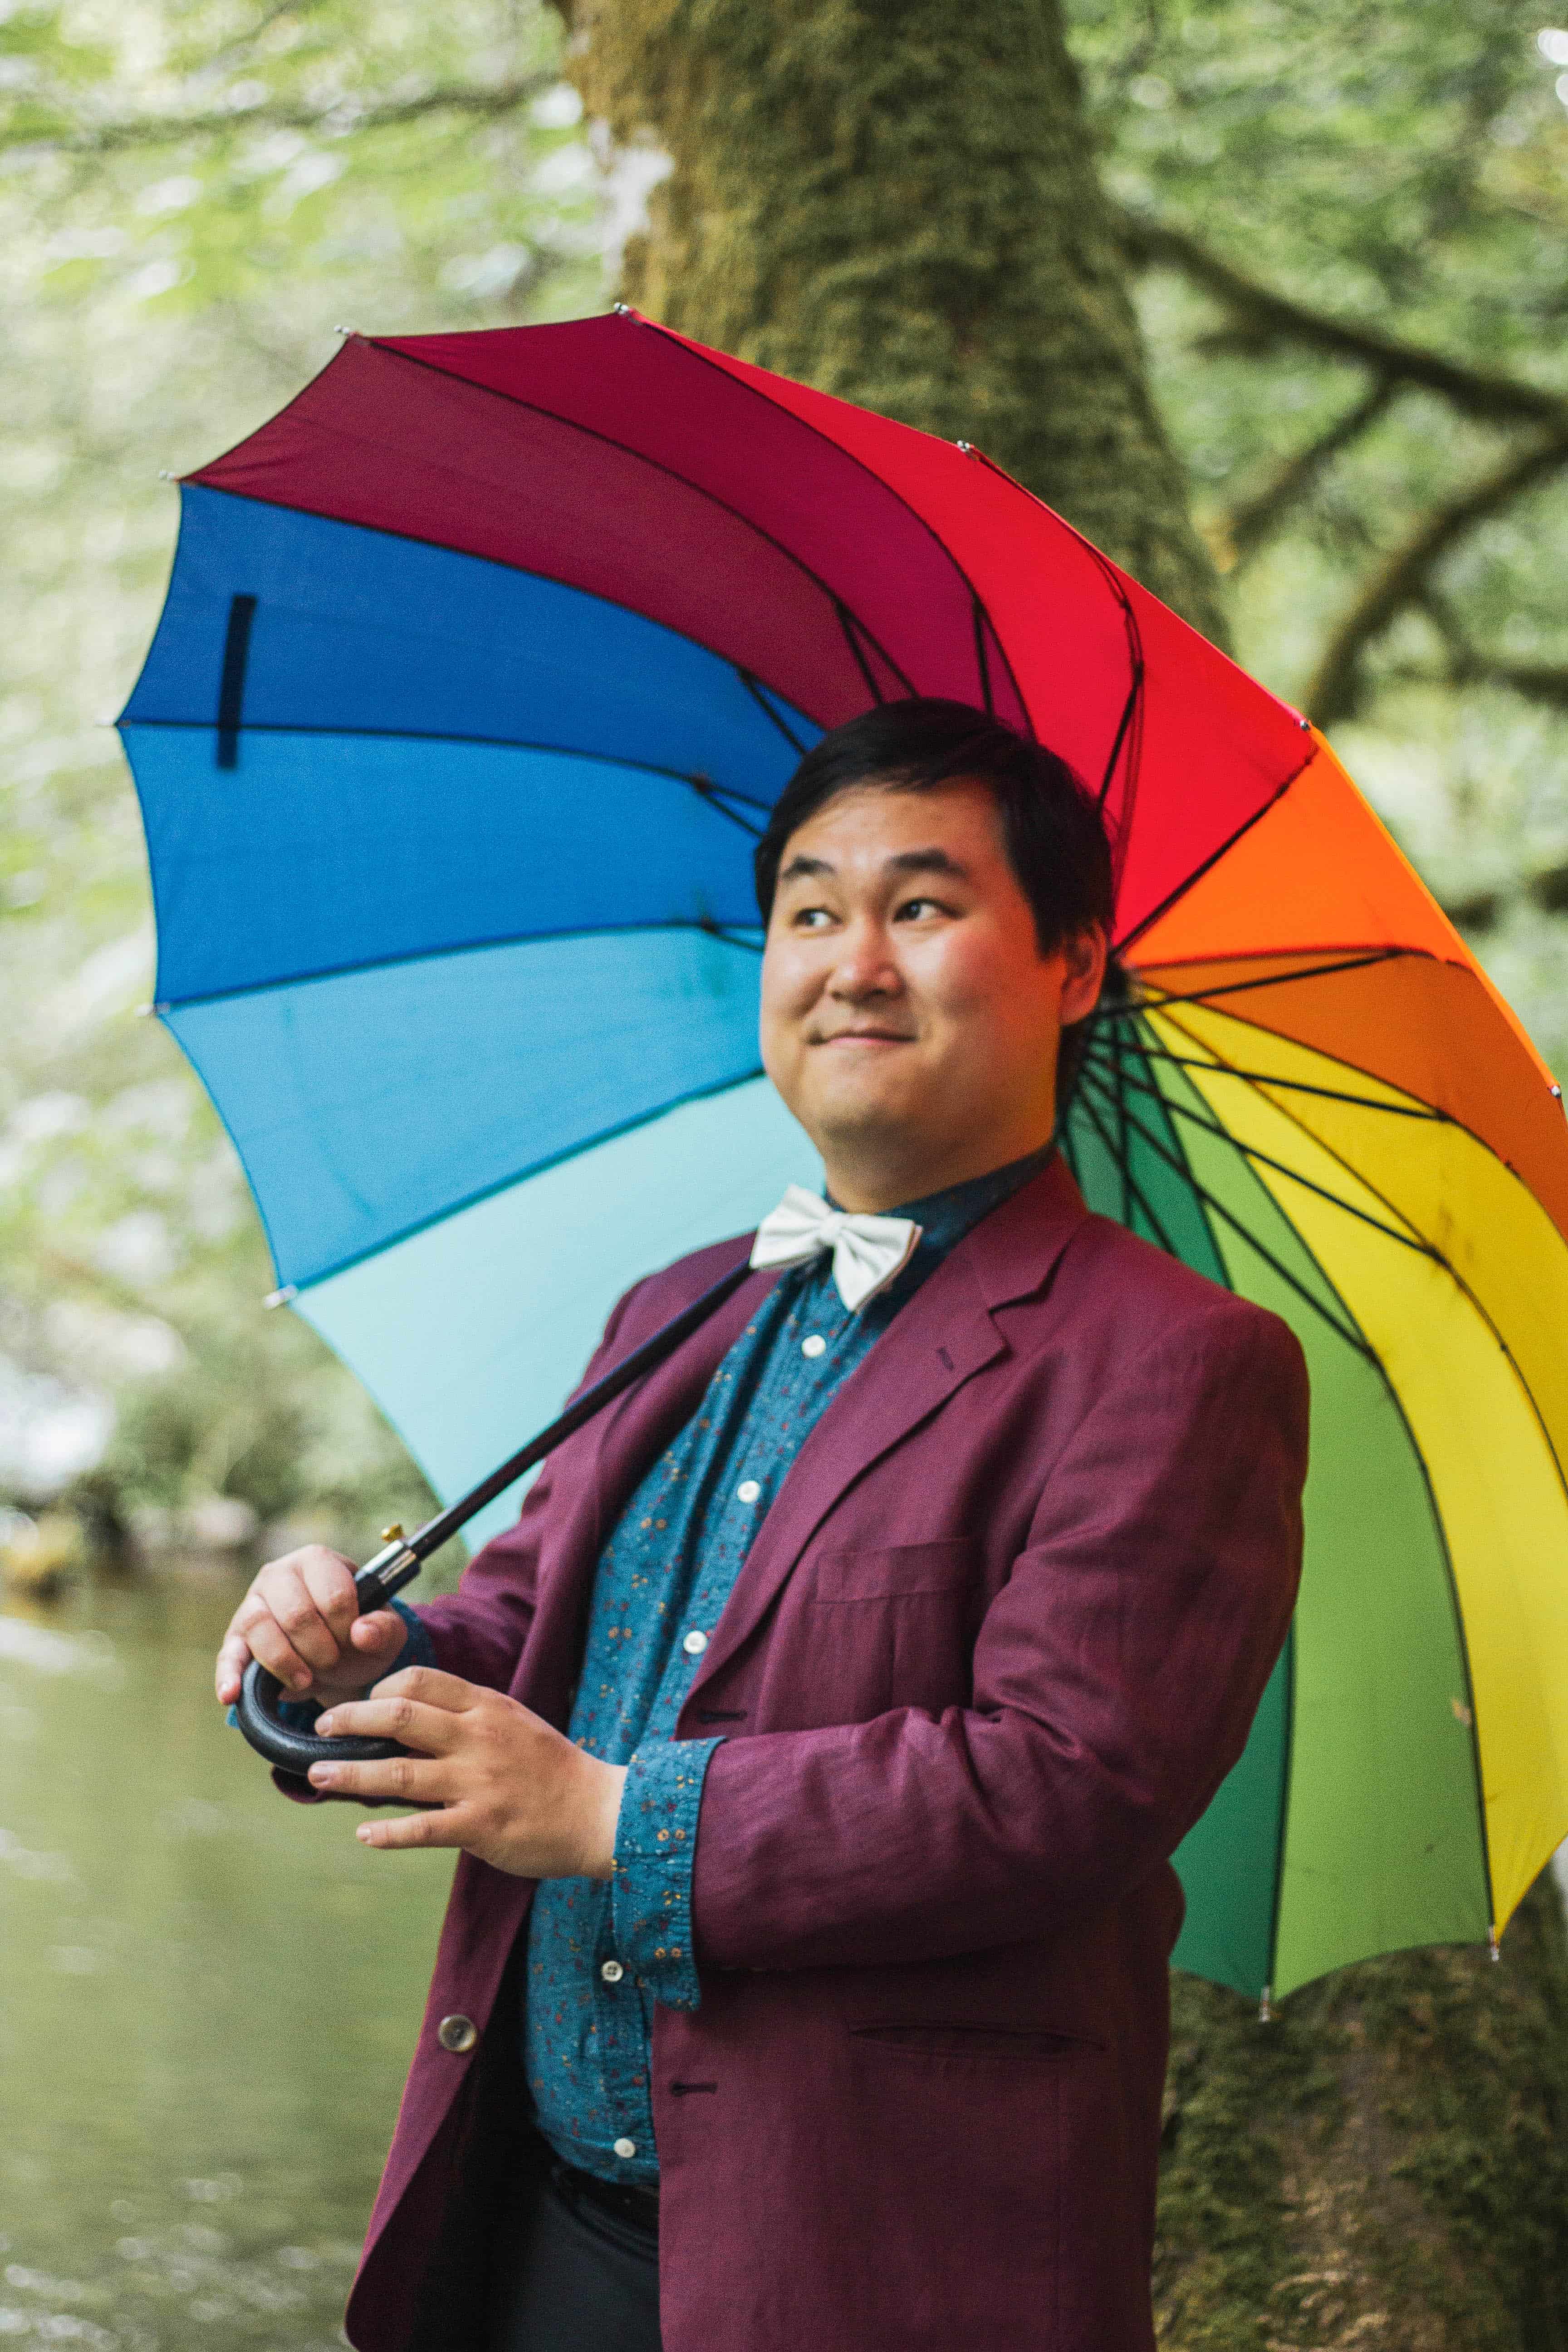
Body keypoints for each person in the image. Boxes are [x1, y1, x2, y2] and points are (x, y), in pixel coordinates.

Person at [216, 697, 1308, 2352]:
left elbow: (1059, 1784)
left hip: (878, 2264)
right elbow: (530, 1626)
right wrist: (362, 1656)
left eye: (922, 908)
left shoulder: (1177, 1362)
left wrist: (614, 1818)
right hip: (527, 2219)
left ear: (1075, 966)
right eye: (810, 909)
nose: (850, 961)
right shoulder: (683, 1306)